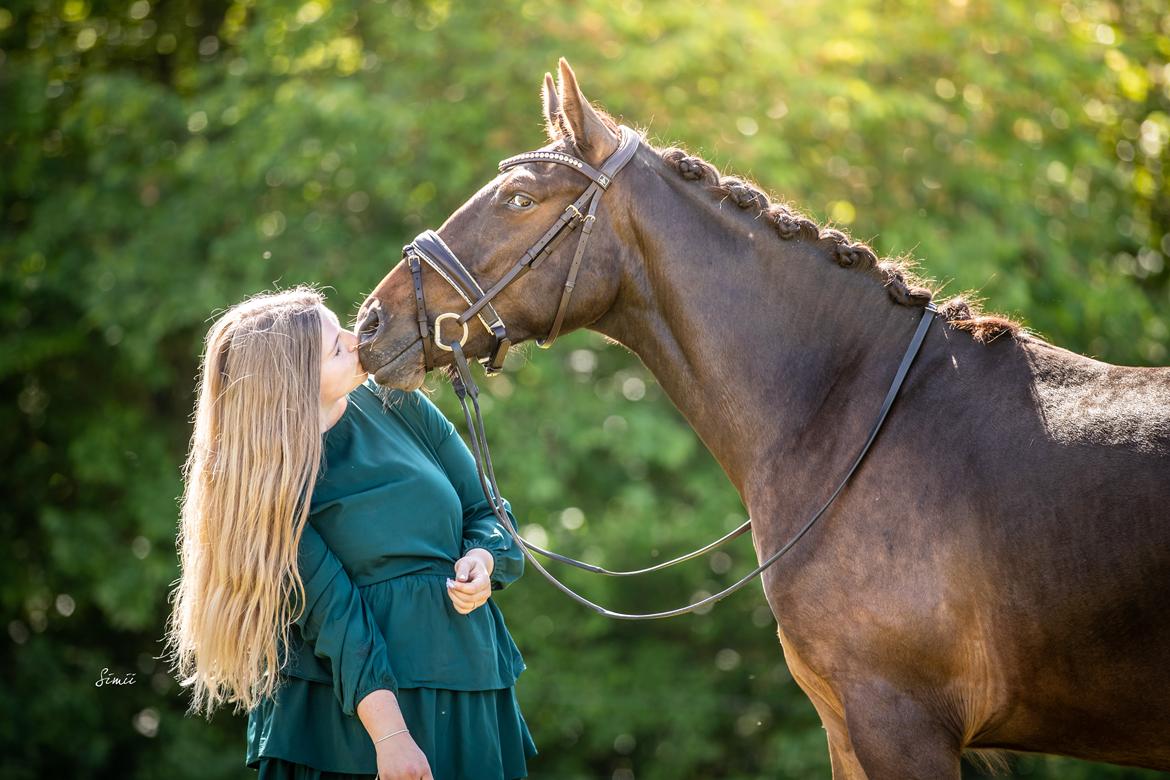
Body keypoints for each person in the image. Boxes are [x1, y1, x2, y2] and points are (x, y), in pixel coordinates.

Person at [163, 285, 536, 780]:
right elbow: (337, 622)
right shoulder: (270, 486)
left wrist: (483, 559)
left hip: (469, 680)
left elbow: (488, 511)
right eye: (336, 348)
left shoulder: (399, 403)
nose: (357, 340)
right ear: (291, 384)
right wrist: (392, 738)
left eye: (341, 328)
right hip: (354, 721)